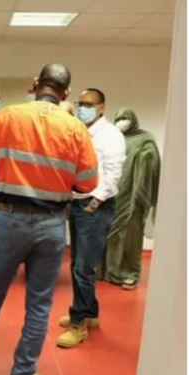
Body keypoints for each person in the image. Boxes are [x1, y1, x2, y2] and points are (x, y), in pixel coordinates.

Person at [0, 63, 99, 375]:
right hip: (51, 225)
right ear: (65, 93)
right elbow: (88, 183)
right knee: (39, 305)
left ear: (35, 85)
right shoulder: (76, 128)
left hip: (8, 219)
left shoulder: (7, 117)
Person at [56, 88, 126, 349]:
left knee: (84, 268)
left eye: (89, 104)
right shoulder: (81, 131)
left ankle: (79, 324)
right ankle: (91, 314)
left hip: (95, 206)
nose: (83, 107)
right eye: (80, 103)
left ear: (101, 108)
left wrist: (95, 203)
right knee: (78, 263)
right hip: (77, 203)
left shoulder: (111, 135)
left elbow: (113, 173)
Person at [102, 107, 160, 290]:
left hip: (133, 197)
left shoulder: (145, 139)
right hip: (111, 197)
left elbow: (153, 162)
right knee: (108, 236)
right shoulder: (113, 139)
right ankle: (107, 272)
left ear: (133, 119)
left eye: (125, 118)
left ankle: (130, 274)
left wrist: (145, 158)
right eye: (118, 117)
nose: (121, 121)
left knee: (130, 238)